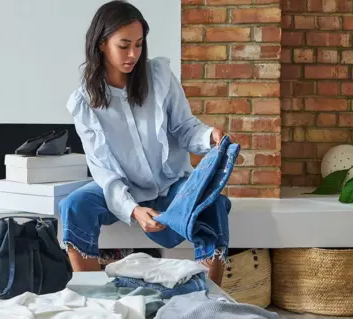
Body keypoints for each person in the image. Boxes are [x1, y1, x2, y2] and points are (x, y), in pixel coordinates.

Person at [59, 0, 227, 286]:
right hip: (122, 187)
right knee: (74, 205)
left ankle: (209, 297)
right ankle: (91, 293)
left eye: (139, 44)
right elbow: (104, 171)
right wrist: (133, 209)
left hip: (170, 182)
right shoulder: (85, 101)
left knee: (213, 202)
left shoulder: (159, 77)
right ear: (102, 44)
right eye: (124, 45)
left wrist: (208, 137)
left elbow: (185, 128)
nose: (133, 54)